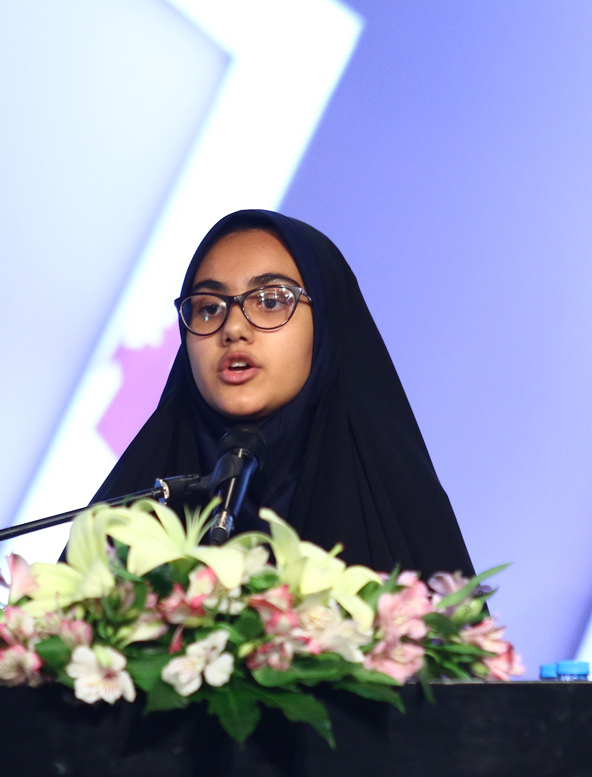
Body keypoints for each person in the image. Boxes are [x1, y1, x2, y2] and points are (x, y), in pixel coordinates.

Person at [91, 209, 474, 579]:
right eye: (209, 308)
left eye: (270, 301)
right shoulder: (130, 512)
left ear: (326, 324)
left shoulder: (398, 513)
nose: (233, 328)